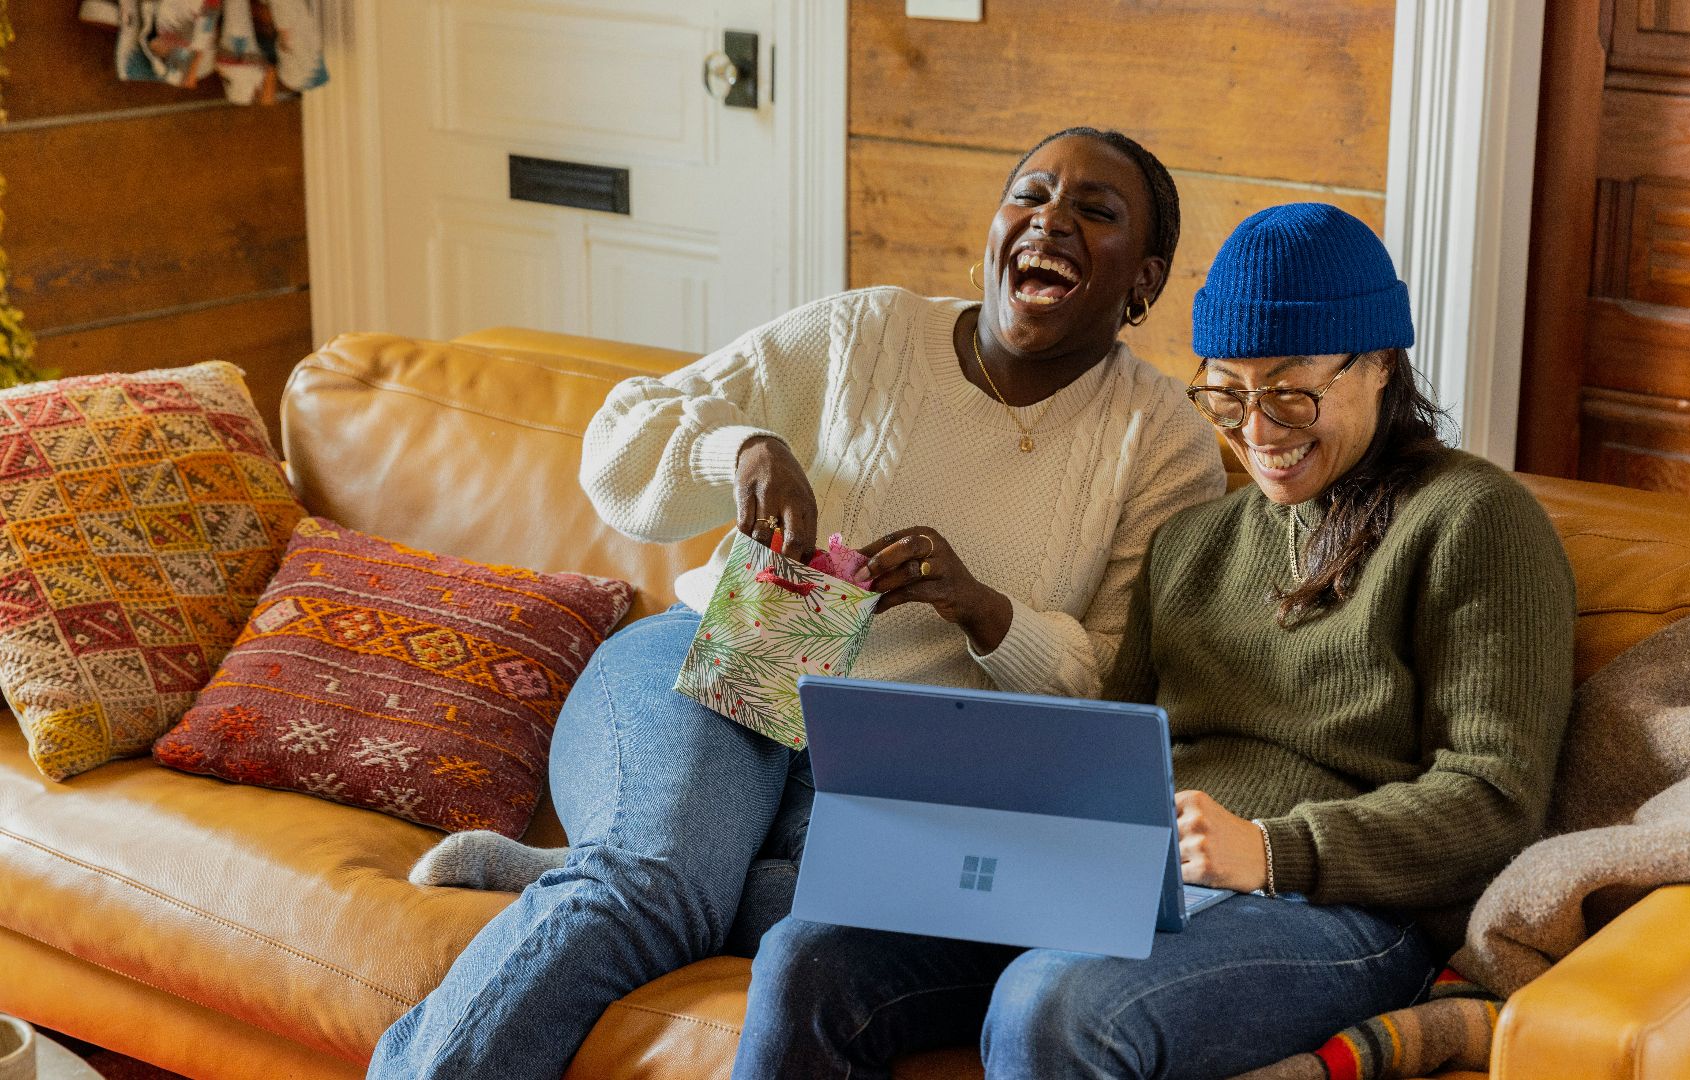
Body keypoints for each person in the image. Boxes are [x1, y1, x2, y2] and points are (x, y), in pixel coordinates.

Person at [366, 128, 1227, 1080]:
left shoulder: (1167, 446)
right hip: (717, 661)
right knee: (650, 888)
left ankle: (608, 871)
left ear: (1143, 282)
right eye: (1030, 194)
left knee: (861, 915)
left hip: (901, 762)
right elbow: (621, 437)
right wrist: (741, 450)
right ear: (995, 231)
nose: (1051, 220)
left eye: (1095, 212)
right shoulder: (868, 334)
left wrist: (987, 612)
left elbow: (1124, 684)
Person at [733, 203, 1578, 1079]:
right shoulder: (1193, 544)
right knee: (811, 955)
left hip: (1346, 906)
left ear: (1378, 366)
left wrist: (1277, 849)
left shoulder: (1474, 521)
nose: (1257, 434)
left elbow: (1495, 799)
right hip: (1136, 881)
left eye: (1290, 395)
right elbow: (1111, 749)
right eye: (1227, 395)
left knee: (1054, 1005)